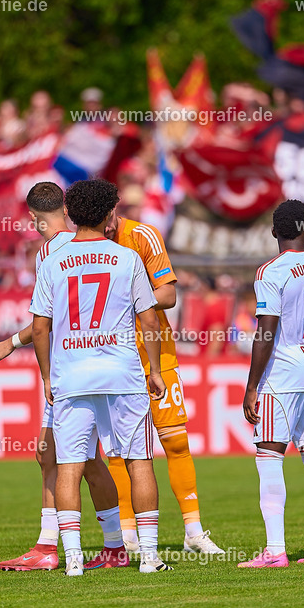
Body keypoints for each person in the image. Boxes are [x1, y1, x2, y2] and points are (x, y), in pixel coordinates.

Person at [30, 178, 171, 576]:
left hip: (71, 376)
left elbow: (40, 327)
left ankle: (73, 558)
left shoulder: (53, 260)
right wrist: (155, 370)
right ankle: (149, 556)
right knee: (139, 463)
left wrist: (45, 377)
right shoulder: (126, 258)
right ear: (110, 214)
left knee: (70, 466)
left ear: (70, 214)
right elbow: (148, 318)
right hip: (122, 375)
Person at [0, 182, 128, 571]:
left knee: (57, 455)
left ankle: (52, 548)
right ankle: (114, 546)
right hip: (104, 365)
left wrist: (13, 344)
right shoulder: (97, 248)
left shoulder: (51, 251)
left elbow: (43, 324)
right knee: (85, 458)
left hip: (67, 370)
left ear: (35, 220)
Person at [104, 209, 224, 555]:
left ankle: (193, 532)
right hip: (114, 362)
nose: (108, 224)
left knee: (176, 444)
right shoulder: (86, 245)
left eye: (110, 215)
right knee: (119, 453)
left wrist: (119, 305)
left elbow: (168, 296)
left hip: (159, 360)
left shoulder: (143, 236)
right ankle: (128, 536)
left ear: (116, 207)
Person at [240, 199, 304, 568]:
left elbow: (266, 331)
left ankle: (274, 551)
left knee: (269, 457)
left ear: (273, 232)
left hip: (282, 374)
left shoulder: (271, 271)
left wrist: (252, 385)